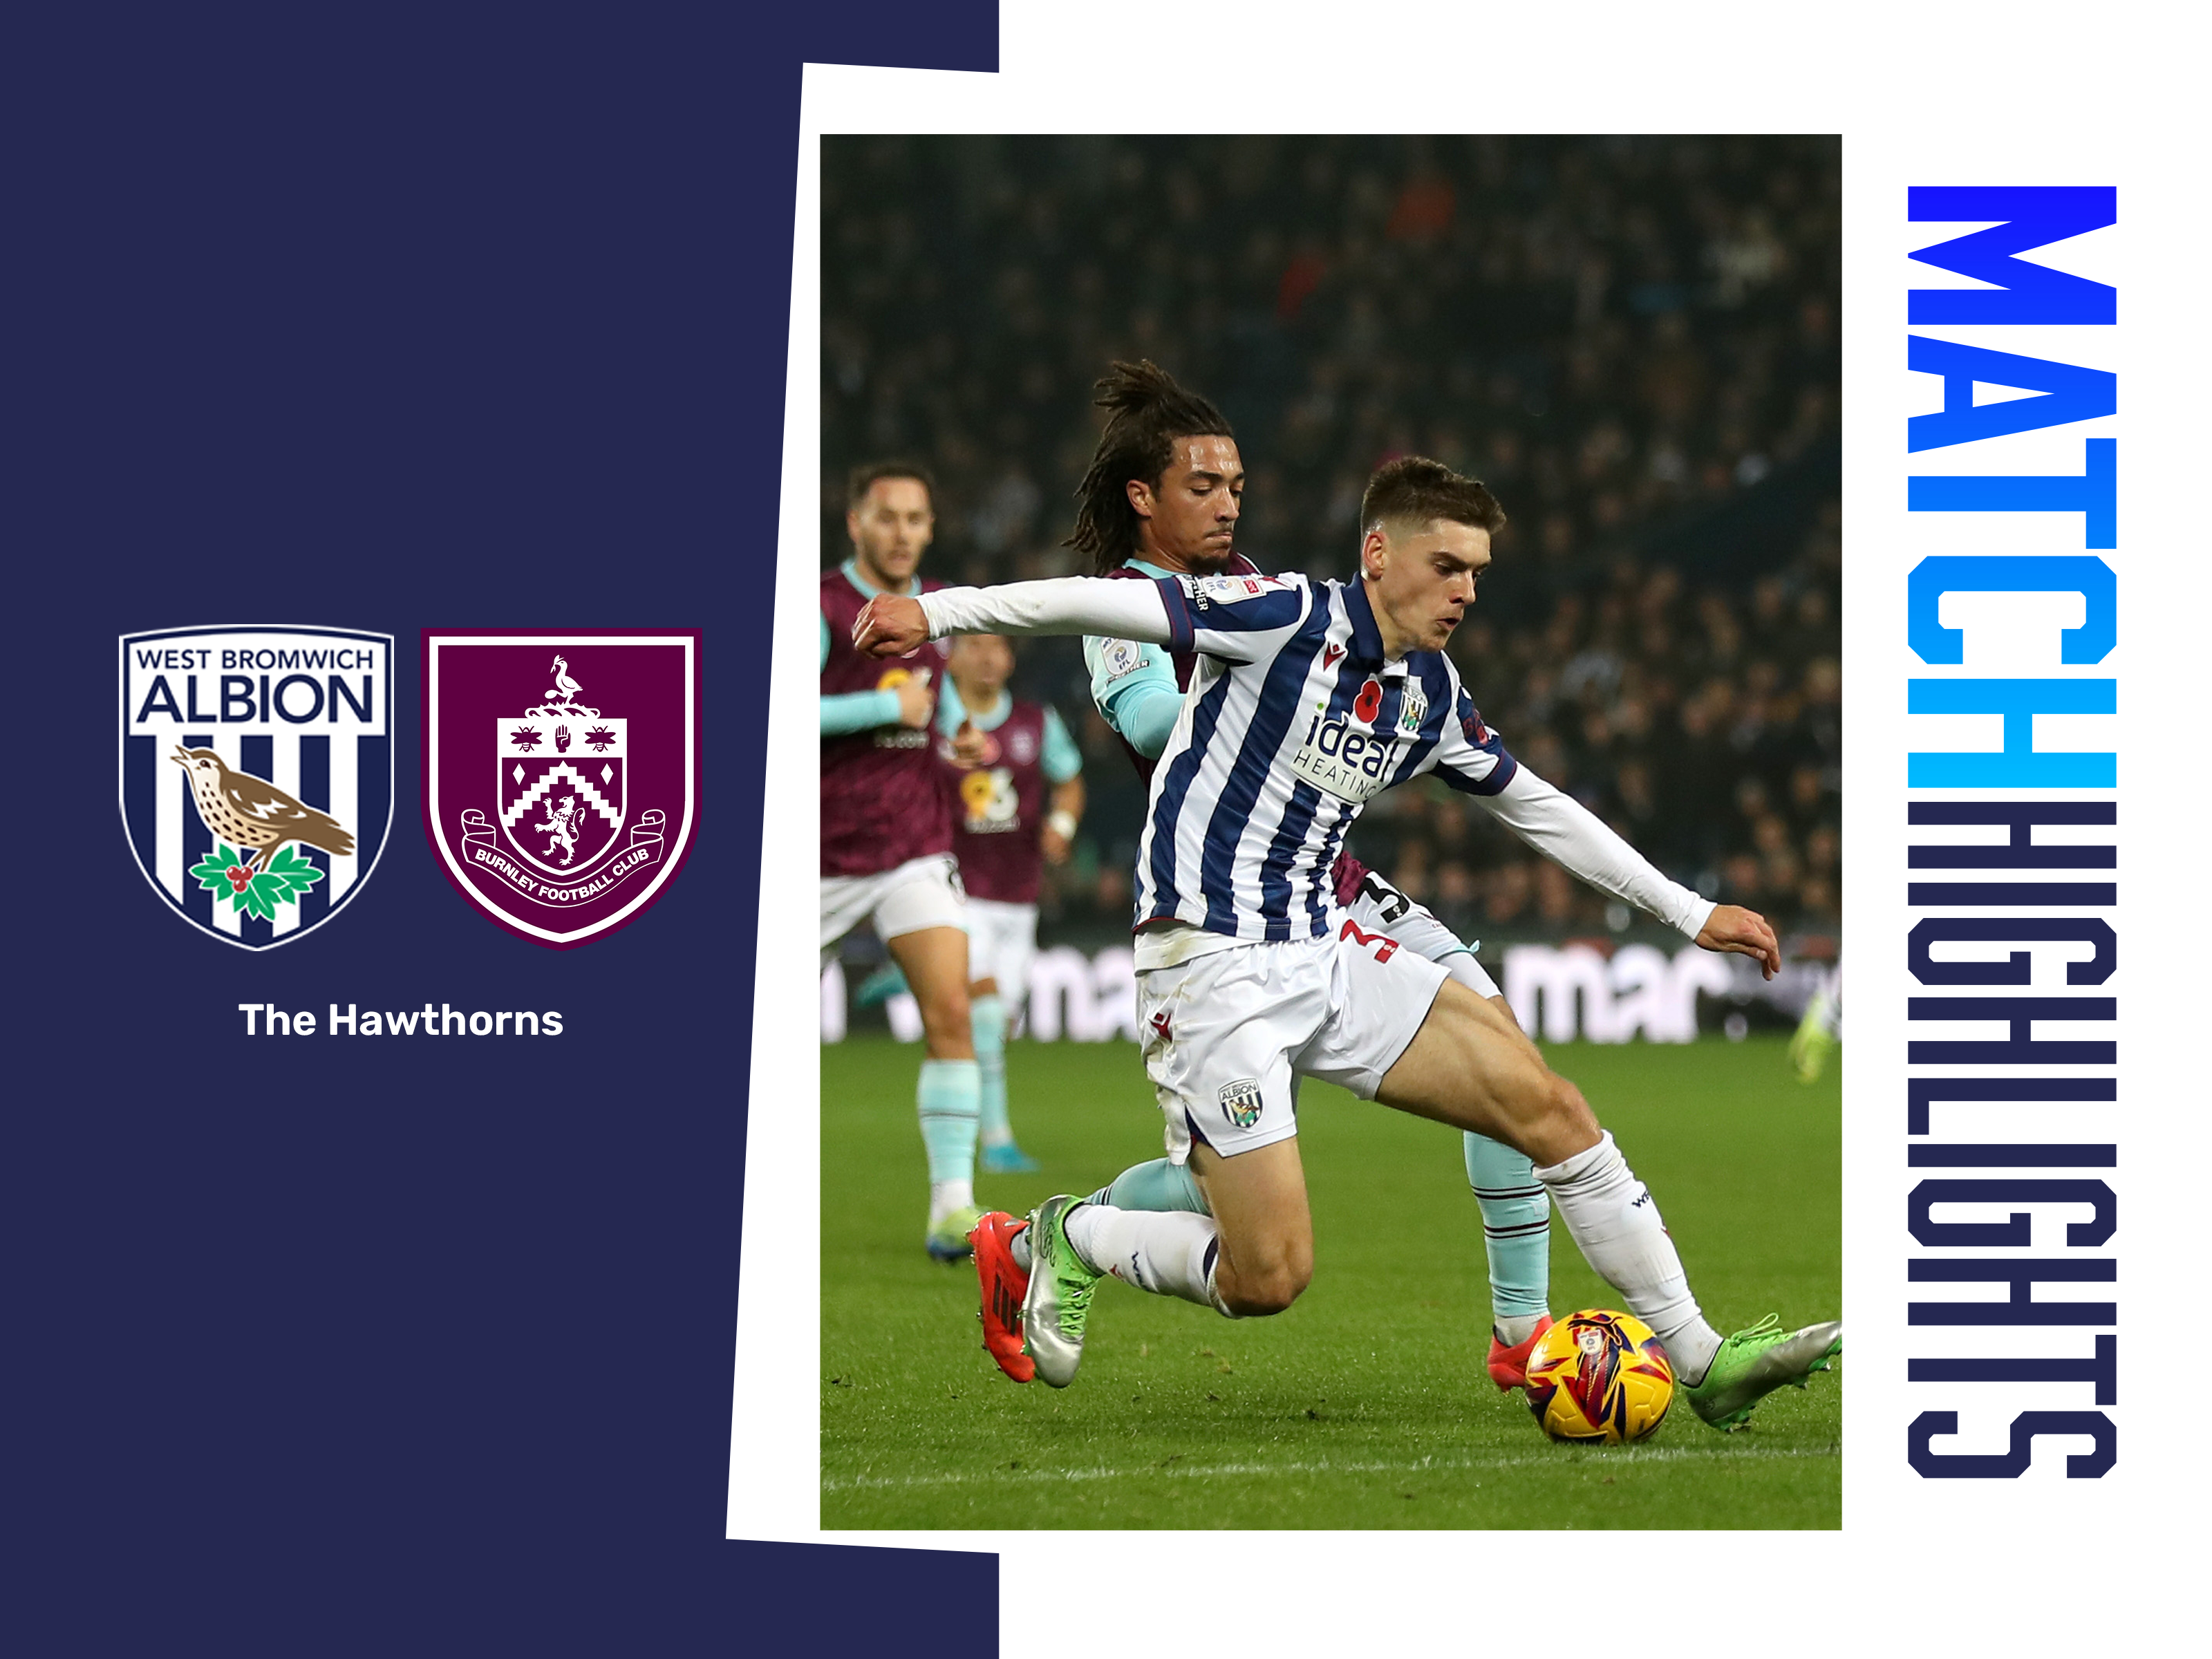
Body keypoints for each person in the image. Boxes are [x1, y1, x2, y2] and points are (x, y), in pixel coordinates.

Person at [856, 454, 1842, 1432]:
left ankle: (1701, 1360)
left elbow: (1538, 807)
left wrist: (1687, 911)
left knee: (1550, 1108)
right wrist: (939, 615)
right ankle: (1070, 1233)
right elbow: (1093, 608)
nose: (1465, 592)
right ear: (1379, 553)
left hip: (1325, 948)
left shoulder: (1433, 693)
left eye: (1477, 575)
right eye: (1446, 566)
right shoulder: (1285, 617)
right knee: (1269, 1275)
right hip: (1209, 963)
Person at [983, 362, 1555, 1391]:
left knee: (1503, 1052)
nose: (1227, 502)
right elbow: (1160, 727)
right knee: (1217, 1200)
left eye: (1236, 485)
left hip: (1331, 885)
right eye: (1202, 486)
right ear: (1143, 499)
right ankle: (1036, 1242)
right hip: (1223, 911)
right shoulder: (1124, 607)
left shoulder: (1253, 587)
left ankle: (1524, 1335)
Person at [820, 460, 982, 1262]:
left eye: (916, 519)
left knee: (952, 1013)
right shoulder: (822, 607)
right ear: (855, 523)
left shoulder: (931, 608)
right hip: (814, 856)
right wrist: (884, 708)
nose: (902, 533)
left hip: (912, 850)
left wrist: (957, 732)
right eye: (887, 518)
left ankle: (951, 1208)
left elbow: (938, 694)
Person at [932, 632, 1087, 1174]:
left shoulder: (1034, 721)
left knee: (1000, 1024)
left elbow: (1069, 780)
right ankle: (996, 1140)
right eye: (974, 645)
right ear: (951, 655)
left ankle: (905, 972)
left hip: (1018, 895)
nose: (987, 656)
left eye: (997, 646)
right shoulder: (931, 723)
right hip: (953, 888)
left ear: (1011, 657)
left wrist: (1061, 826)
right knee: (986, 1009)